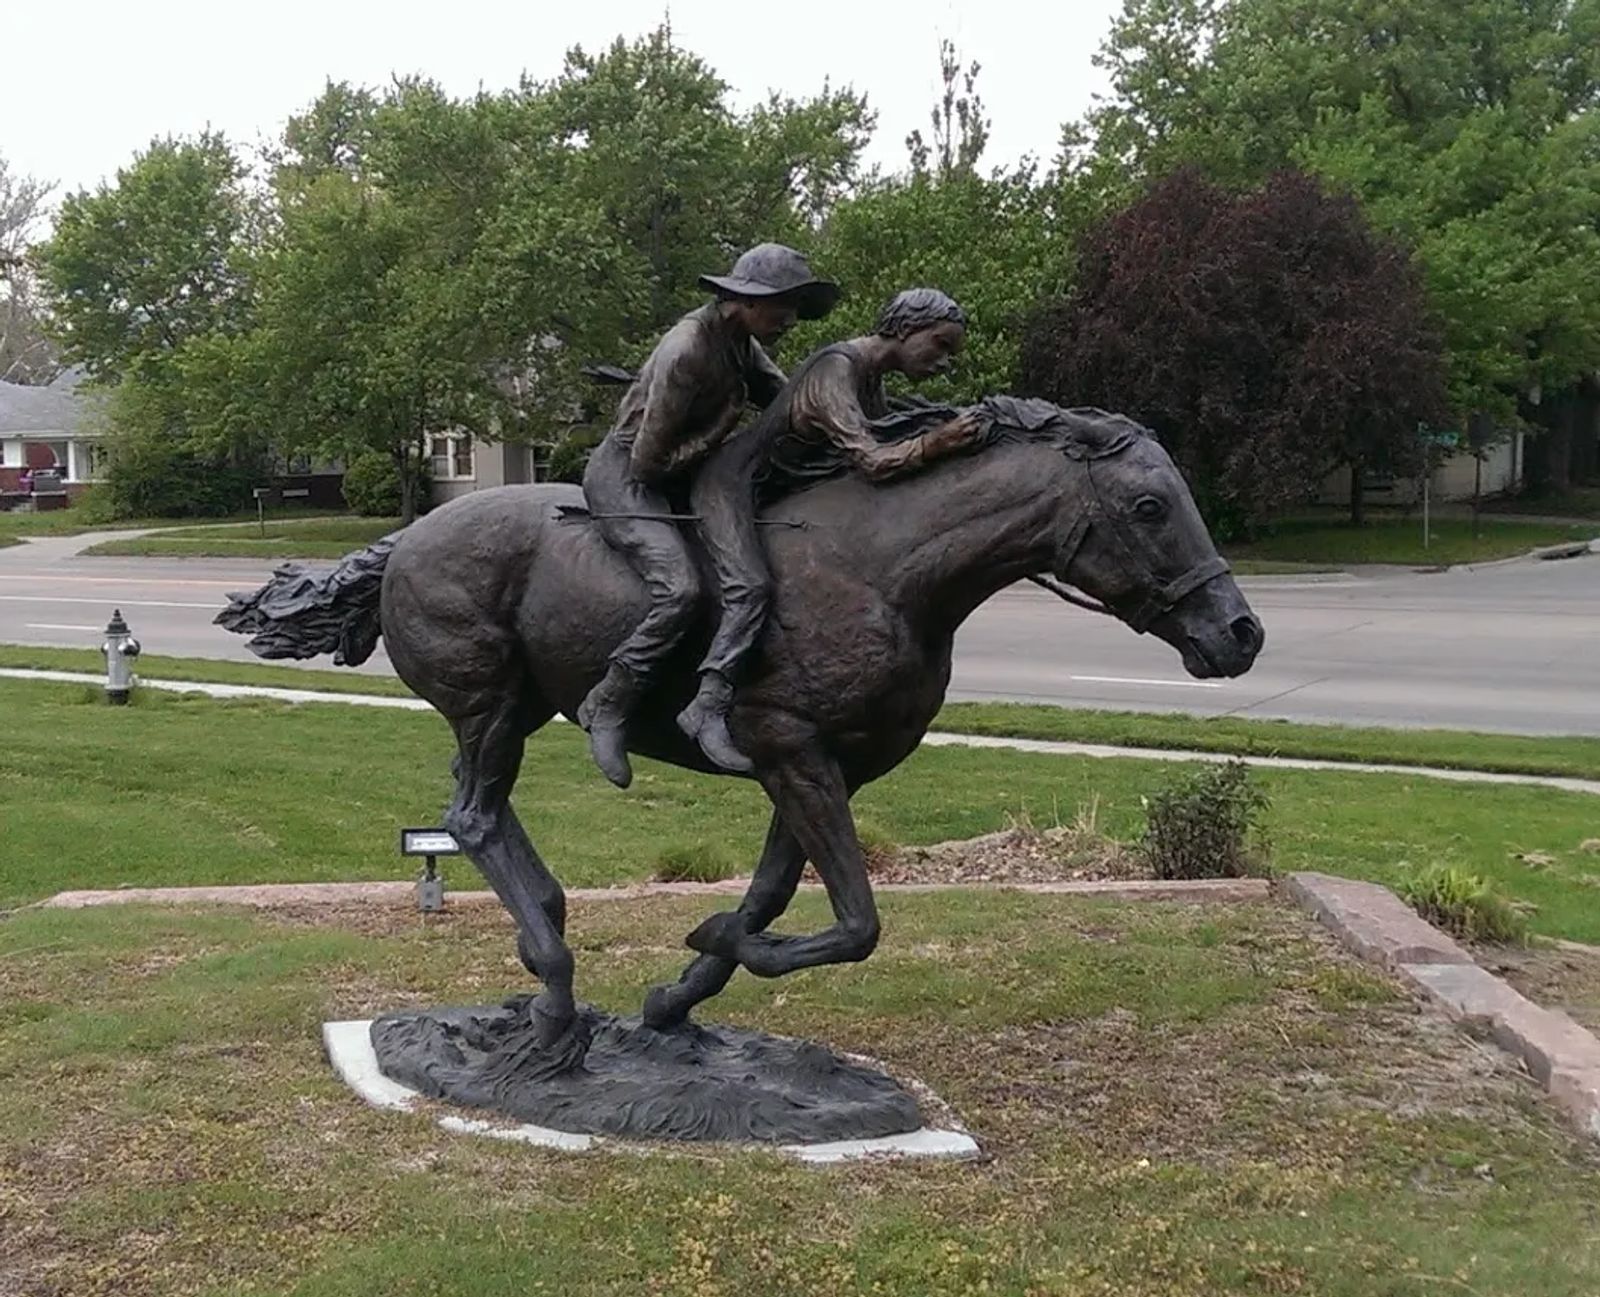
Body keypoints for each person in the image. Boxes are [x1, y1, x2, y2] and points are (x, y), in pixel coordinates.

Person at [578, 243, 841, 789]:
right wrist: (722, 428)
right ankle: (608, 702)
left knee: (750, 579)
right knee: (681, 589)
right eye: (782, 306)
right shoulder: (689, 351)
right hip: (629, 478)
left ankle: (709, 703)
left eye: (795, 306)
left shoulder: (741, 342)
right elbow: (648, 464)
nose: (790, 320)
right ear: (742, 301)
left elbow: (780, 398)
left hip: (694, 474)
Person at [687, 287, 986, 736]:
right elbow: (871, 459)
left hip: (780, 491)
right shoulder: (836, 370)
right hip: (731, 486)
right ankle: (707, 704)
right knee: (749, 587)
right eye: (941, 345)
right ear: (905, 329)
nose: (945, 361)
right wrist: (934, 443)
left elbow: (885, 437)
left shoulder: (871, 378)